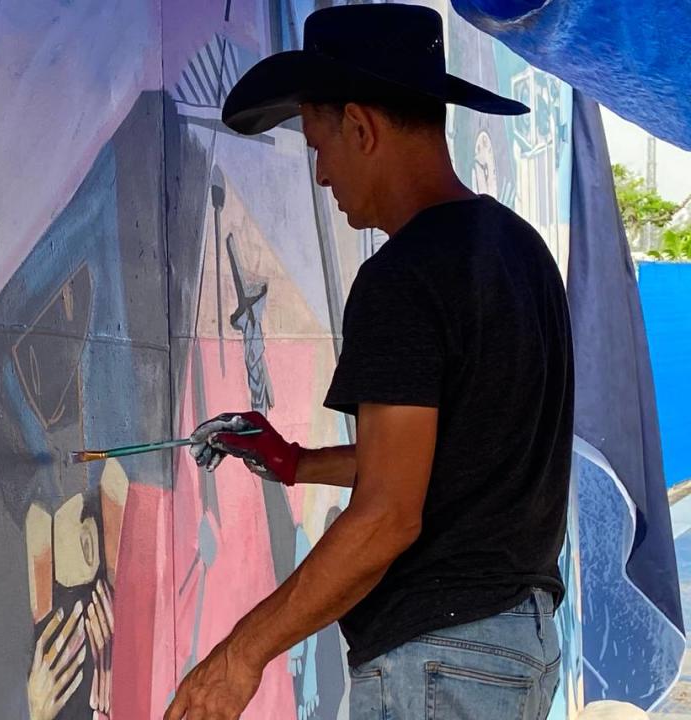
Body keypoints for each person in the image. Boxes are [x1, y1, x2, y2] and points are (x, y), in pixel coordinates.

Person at [164, 4, 573, 720]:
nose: (320, 176)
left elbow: (389, 515)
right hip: (518, 648)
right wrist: (295, 463)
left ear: (362, 127)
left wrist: (239, 655)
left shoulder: (403, 277)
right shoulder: (520, 252)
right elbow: (455, 454)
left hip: (441, 658)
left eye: (319, 144)